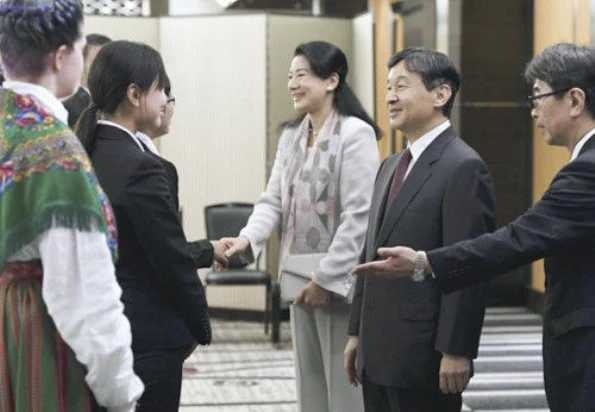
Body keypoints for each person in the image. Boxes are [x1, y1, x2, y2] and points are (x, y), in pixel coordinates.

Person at [352, 43, 595, 412]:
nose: (533, 111)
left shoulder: (583, 170)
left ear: (575, 100)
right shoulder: (390, 166)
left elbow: (515, 241)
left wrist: (424, 263)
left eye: (538, 96)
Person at [0, 1, 143, 411]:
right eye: (80, 45)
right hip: (40, 339)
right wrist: (121, 392)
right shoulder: (54, 152)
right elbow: (83, 296)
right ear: (61, 56)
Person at [223, 40, 380, 412]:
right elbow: (272, 200)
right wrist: (247, 240)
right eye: (290, 76)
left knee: (344, 391)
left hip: (338, 284)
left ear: (331, 81)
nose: (293, 84)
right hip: (298, 279)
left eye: (302, 75)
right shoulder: (291, 137)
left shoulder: (355, 134)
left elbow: (359, 216)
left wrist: (325, 279)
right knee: (310, 388)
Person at [75, 40, 226, 412]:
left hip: (98, 328)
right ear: (135, 94)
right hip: (146, 334)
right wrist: (198, 324)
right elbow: (170, 258)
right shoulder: (140, 166)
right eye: (162, 90)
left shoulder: (86, 151)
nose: (166, 101)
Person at [345, 48, 495, 412]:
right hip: (376, 351)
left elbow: (469, 266)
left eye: (401, 86)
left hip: (424, 354)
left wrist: (456, 348)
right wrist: (355, 332)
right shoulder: (390, 165)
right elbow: (370, 254)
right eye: (387, 87)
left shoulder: (463, 166)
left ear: (440, 94)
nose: (389, 97)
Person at [63, 33, 111, 127]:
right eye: (98, 62)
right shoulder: (69, 107)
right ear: (81, 63)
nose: (107, 68)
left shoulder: (114, 104)